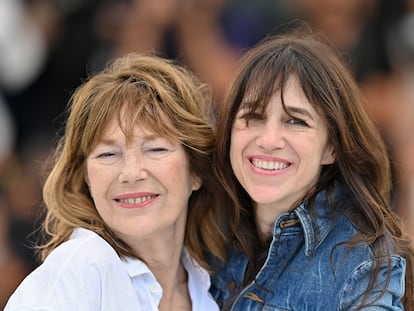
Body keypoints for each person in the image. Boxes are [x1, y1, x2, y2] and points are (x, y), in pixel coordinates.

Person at [4, 53, 226, 311]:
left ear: (196, 171)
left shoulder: (210, 284)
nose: (131, 173)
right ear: (86, 176)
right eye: (108, 154)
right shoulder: (85, 266)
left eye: (155, 149)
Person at [209, 32, 414, 310]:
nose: (269, 140)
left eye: (295, 121)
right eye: (253, 117)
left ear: (331, 147)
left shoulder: (363, 262)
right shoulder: (205, 234)